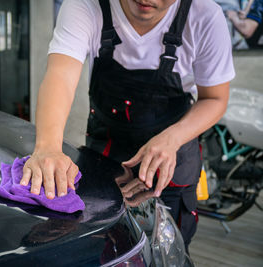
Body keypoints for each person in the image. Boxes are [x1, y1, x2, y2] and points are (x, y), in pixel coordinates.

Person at [20, 0, 235, 252]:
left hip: (172, 161)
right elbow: (61, 75)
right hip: (105, 160)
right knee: (102, 249)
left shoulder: (205, 16)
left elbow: (215, 98)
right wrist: (48, 147)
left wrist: (171, 138)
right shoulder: (86, 5)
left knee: (166, 250)